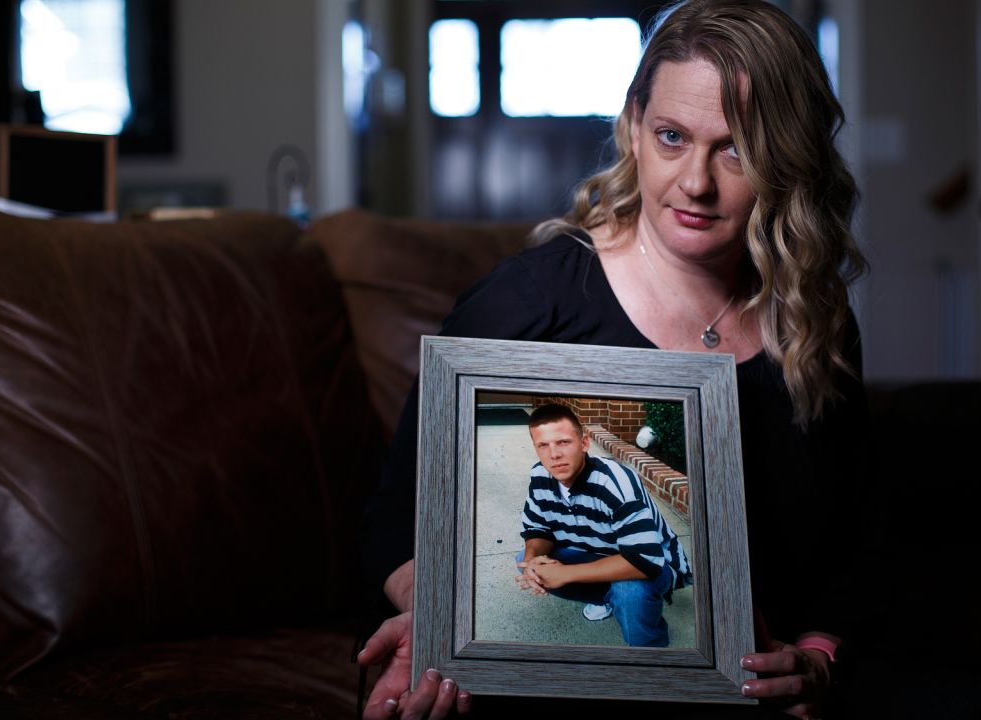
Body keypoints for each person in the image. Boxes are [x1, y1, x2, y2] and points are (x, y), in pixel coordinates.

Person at [356, 1, 871, 717]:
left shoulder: (817, 322)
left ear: (789, 156)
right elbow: (394, 522)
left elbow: (847, 543)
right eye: (671, 136)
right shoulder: (526, 305)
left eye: (736, 149)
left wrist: (815, 663)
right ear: (633, 126)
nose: (696, 181)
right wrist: (444, 622)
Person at [512, 404, 693, 648]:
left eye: (563, 442)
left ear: (584, 443)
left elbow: (645, 561)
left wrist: (564, 574)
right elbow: (538, 530)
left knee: (630, 592)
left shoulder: (615, 482)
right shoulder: (540, 477)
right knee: (525, 557)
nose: (553, 455)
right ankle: (608, 596)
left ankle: (652, 654)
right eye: (543, 445)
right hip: (596, 554)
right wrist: (533, 562)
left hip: (654, 562)